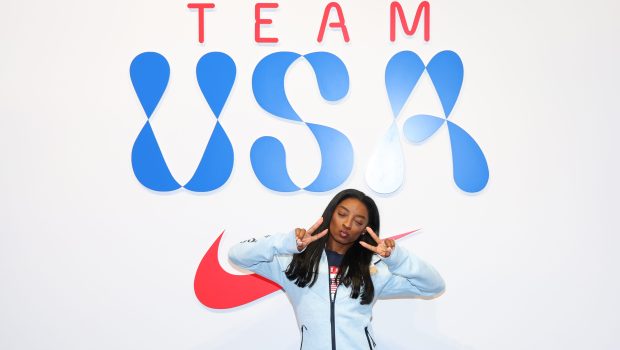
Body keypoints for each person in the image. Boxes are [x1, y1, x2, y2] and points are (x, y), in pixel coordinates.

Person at [228, 189, 445, 349]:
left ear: (364, 231)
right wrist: (286, 243)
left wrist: (397, 257)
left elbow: (433, 286)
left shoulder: (375, 270)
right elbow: (237, 255)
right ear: (331, 214)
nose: (348, 224)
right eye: (342, 214)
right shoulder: (294, 263)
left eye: (358, 221)